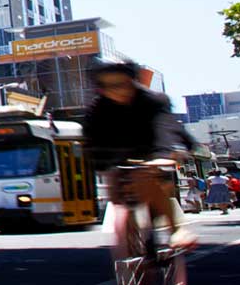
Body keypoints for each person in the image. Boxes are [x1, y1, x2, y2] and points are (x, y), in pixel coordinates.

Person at [82, 62, 197, 253]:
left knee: (146, 179)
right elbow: (91, 138)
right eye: (107, 87)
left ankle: (178, 230)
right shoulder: (98, 107)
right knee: (116, 192)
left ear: (133, 81)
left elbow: (165, 128)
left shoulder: (154, 100)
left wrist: (162, 155)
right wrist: (100, 164)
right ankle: (131, 244)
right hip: (118, 153)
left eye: (121, 84)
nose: (116, 91)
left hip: (152, 148)